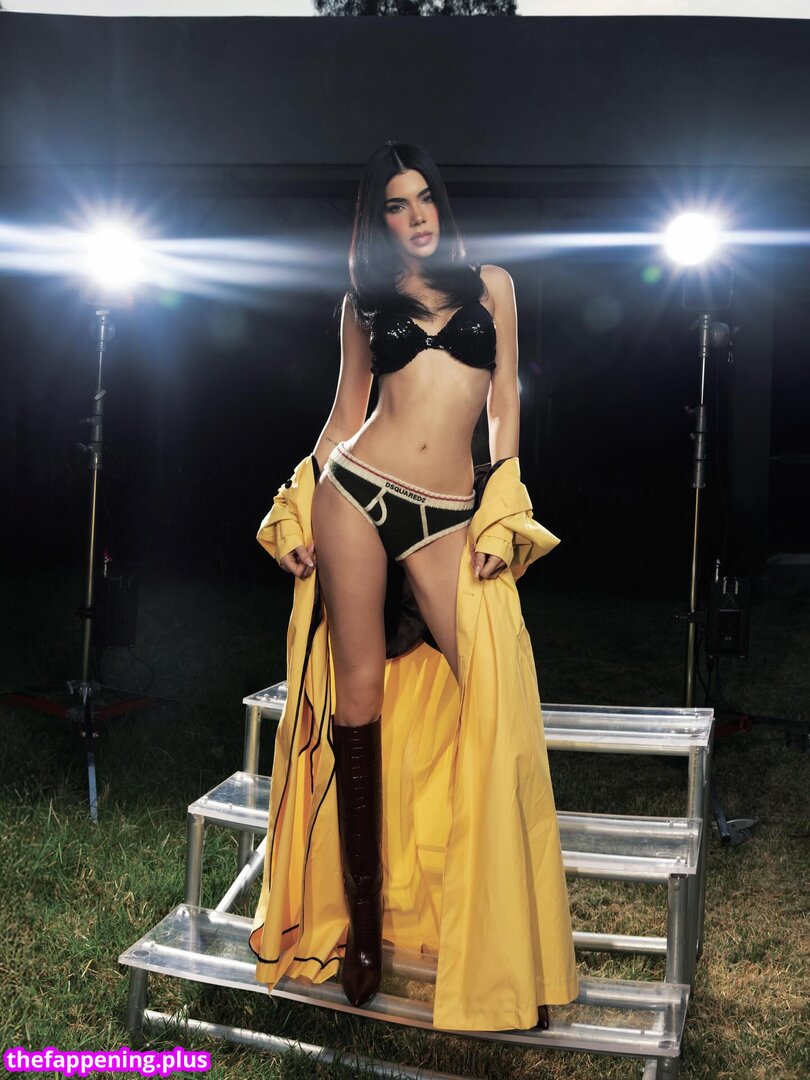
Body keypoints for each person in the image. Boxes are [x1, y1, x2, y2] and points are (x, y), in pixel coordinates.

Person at [249, 141, 579, 1033]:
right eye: (396, 204)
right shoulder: (362, 303)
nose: (416, 215)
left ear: (442, 202)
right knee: (357, 696)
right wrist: (295, 505)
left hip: (448, 515)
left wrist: (503, 501)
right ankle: (361, 933)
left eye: (424, 196)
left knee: (494, 693)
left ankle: (503, 946)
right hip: (355, 496)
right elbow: (344, 415)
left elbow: (504, 401)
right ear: (380, 219)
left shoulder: (493, 287)